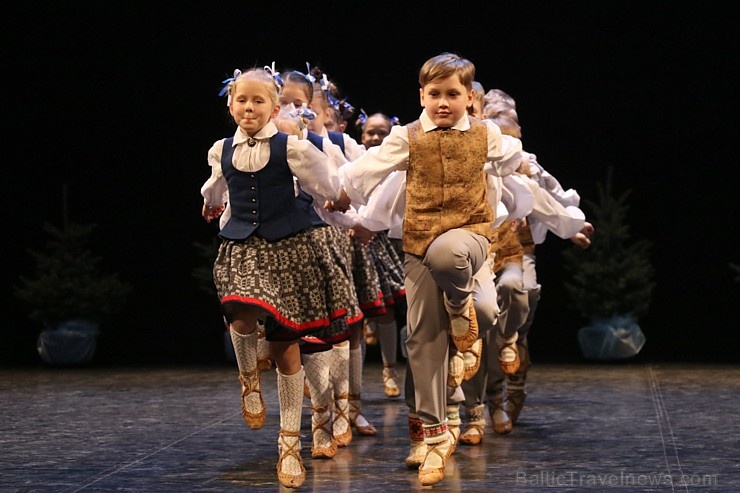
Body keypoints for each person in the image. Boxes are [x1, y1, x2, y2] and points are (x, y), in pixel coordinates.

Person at [328, 52, 523, 486]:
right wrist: (342, 192)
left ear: (469, 98)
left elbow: (512, 152)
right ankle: (432, 435)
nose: (442, 102)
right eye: (434, 94)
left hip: (470, 240)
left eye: (453, 94)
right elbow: (366, 168)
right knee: (422, 339)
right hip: (417, 246)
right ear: (422, 95)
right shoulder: (409, 136)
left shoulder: (485, 135)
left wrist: (507, 162)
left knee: (478, 299)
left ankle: (462, 307)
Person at [200, 67, 345, 489]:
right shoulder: (221, 149)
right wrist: (211, 203)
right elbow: (215, 186)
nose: (249, 107)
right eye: (242, 100)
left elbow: (325, 182)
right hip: (242, 244)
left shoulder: (291, 148)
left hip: (287, 249)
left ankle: (289, 443)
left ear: (274, 107)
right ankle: (248, 378)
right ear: (231, 106)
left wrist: (333, 198)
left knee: (286, 349)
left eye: (258, 101)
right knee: (239, 309)